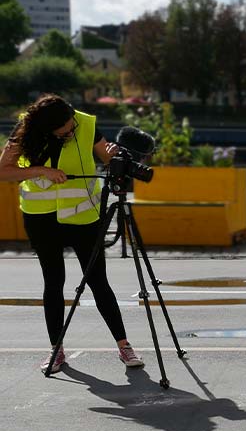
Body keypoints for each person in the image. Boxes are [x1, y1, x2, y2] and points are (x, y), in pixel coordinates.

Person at [0, 94, 144, 374]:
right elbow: (3, 171)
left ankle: (124, 345)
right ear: (47, 127)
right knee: (53, 282)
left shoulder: (85, 124)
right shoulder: (25, 130)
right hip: (41, 218)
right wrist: (41, 171)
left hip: (83, 216)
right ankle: (57, 350)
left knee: (98, 281)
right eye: (65, 128)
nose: (72, 129)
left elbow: (107, 156)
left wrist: (118, 154)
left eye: (71, 123)